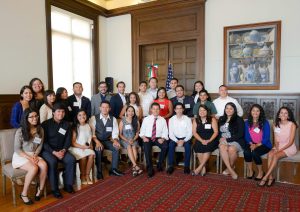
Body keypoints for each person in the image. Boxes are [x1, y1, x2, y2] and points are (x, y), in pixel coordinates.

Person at [12, 109, 47, 205]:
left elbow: (40, 145)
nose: (35, 118)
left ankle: (40, 190)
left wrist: (35, 155)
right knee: (34, 168)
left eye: (36, 116)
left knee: (44, 165)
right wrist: (30, 158)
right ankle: (24, 194)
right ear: (26, 118)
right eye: (31, 117)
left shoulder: (40, 130)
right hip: (21, 155)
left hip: (34, 154)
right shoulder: (20, 131)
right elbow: (17, 149)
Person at [41, 103, 76, 198]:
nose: (61, 113)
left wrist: (63, 150)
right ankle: (55, 189)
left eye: (63, 111)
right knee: (52, 162)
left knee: (71, 159)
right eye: (58, 111)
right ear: (53, 113)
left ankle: (68, 185)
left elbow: (68, 140)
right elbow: (43, 142)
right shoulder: (45, 124)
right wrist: (54, 152)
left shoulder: (66, 124)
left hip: (62, 150)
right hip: (48, 150)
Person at [258, 107, 298, 187]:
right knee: (270, 154)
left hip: (289, 147)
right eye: (281, 112)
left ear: (288, 115)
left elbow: (290, 142)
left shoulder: (292, 125)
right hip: (278, 146)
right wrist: (276, 147)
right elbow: (276, 140)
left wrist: (279, 150)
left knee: (276, 155)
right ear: (279, 115)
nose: (283, 114)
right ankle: (271, 177)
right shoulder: (276, 124)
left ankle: (265, 177)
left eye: (285, 113)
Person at [90, 100, 124, 178]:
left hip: (107, 140)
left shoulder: (113, 119)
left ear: (109, 109)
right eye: (103, 107)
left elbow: (115, 133)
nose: (105, 109)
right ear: (100, 108)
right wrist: (97, 142)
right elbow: (92, 133)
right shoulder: (94, 118)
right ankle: (99, 171)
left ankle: (114, 169)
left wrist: (115, 140)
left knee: (116, 147)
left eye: (107, 107)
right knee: (99, 149)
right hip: (97, 140)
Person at [140, 102, 169, 178]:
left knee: (165, 146)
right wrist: (144, 137)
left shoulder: (162, 119)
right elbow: (142, 131)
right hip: (148, 138)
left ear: (159, 110)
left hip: (158, 138)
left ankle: (159, 164)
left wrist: (162, 138)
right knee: (146, 148)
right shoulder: (146, 119)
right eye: (154, 109)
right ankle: (150, 168)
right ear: (151, 110)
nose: (155, 111)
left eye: (157, 109)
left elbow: (165, 131)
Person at [244, 104, 272, 180]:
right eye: (253, 110)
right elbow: (246, 136)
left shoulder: (265, 122)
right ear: (250, 112)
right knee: (246, 152)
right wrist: (251, 143)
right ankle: (250, 171)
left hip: (264, 144)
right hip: (251, 143)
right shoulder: (247, 122)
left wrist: (256, 146)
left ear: (260, 112)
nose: (255, 112)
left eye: (257, 111)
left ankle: (260, 172)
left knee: (255, 153)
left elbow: (266, 138)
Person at [218, 102, 245, 180]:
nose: (228, 110)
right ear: (225, 109)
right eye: (227, 108)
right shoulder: (221, 118)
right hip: (223, 140)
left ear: (234, 110)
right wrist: (220, 138)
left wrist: (227, 139)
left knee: (231, 149)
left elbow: (240, 134)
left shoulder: (239, 119)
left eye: (231, 108)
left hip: (235, 140)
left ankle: (229, 168)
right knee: (223, 147)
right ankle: (231, 169)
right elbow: (218, 132)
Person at [69, 109, 95, 185]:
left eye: (84, 114)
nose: (82, 116)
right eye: (79, 115)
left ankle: (87, 175)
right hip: (76, 147)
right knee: (83, 157)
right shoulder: (75, 127)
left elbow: (90, 139)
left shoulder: (88, 126)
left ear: (86, 116)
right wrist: (82, 147)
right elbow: (73, 143)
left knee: (92, 154)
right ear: (77, 117)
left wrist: (91, 146)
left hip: (85, 147)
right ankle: (82, 175)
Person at [192, 105, 219, 176]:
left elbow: (216, 132)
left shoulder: (212, 119)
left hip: (211, 139)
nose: (202, 112)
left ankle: (199, 168)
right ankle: (203, 168)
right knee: (198, 147)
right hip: (200, 139)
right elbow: (194, 132)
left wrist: (209, 140)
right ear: (198, 112)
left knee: (207, 147)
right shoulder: (196, 120)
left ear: (207, 111)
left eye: (204, 110)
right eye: (200, 110)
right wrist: (201, 140)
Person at [167, 103, 192, 175]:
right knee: (170, 146)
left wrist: (184, 140)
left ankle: (186, 166)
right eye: (177, 108)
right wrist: (177, 141)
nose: (179, 110)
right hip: (175, 138)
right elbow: (170, 133)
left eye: (180, 108)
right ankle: (170, 165)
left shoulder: (187, 119)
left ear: (183, 109)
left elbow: (190, 132)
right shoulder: (171, 119)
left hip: (185, 138)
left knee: (188, 146)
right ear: (174, 110)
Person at [119, 106, 143, 176]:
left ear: (134, 112)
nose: (130, 112)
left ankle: (134, 168)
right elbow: (120, 134)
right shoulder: (122, 121)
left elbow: (137, 133)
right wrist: (127, 140)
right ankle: (135, 165)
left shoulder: (136, 121)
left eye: (132, 111)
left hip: (134, 139)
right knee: (129, 146)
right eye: (129, 111)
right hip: (124, 140)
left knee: (134, 147)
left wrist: (133, 139)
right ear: (126, 112)